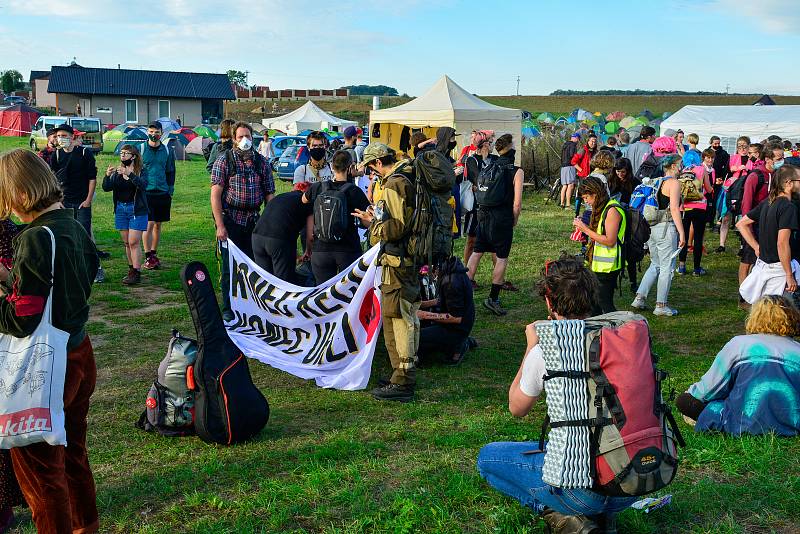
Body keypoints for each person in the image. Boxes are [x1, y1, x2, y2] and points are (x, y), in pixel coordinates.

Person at [476, 256, 636, 534]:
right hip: (631, 482)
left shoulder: (547, 350)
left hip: (581, 489)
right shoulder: (623, 338)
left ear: (549, 303)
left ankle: (565, 516)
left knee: (488, 458)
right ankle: (598, 516)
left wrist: (531, 347)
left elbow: (517, 407)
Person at [0, 149, 99, 533]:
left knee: (43, 475)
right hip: (78, 352)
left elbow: (22, 319)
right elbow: (69, 282)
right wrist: (10, 277)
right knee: (73, 456)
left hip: (44, 369)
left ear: (21, 195)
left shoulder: (35, 237)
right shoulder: (71, 223)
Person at [676, 294, 800, 436]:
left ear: (754, 317)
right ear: (792, 317)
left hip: (740, 424)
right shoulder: (797, 350)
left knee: (684, 400)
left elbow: (707, 389)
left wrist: (691, 393)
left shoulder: (739, 344)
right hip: (792, 425)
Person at [352, 143, 419, 403]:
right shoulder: (408, 177)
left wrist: (372, 225)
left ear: (379, 162)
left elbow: (397, 227)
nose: (371, 174)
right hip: (407, 259)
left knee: (399, 317)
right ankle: (400, 372)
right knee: (404, 314)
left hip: (397, 261)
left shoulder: (394, 184)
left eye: (371, 168)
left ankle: (403, 380)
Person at [211, 121, 275, 322]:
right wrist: (220, 225)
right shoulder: (224, 161)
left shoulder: (261, 162)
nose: (245, 140)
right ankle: (228, 306)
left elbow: (269, 195)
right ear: (233, 139)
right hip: (231, 219)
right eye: (240, 137)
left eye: (248, 136)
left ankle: (252, 305)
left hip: (255, 220)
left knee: (256, 265)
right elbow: (215, 195)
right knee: (230, 267)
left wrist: (270, 222)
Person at [466, 134, 524, 316]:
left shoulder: (490, 165)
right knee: (501, 257)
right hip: (502, 217)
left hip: (483, 214)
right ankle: (493, 298)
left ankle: (463, 294)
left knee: (476, 253)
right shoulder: (516, 171)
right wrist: (514, 219)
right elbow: (517, 203)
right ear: (510, 148)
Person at [47, 123, 104, 284]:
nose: (61, 139)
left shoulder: (85, 153)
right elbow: (53, 180)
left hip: (82, 201)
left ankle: (96, 268)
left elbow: (92, 178)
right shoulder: (56, 155)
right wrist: (58, 200)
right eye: (58, 136)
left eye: (64, 136)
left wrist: (87, 200)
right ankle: (73, 269)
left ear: (72, 137)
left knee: (85, 235)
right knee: (67, 236)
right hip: (64, 202)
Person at [302, 150, 370, 283]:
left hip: (320, 249)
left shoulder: (318, 187)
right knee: (350, 293)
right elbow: (367, 221)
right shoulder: (354, 191)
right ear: (350, 167)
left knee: (324, 293)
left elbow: (303, 200)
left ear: (332, 167)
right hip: (347, 250)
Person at [631, 154, 686, 316]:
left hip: (651, 227)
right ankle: (661, 305)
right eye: (680, 164)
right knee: (667, 267)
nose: (682, 167)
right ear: (674, 166)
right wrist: (682, 232)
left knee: (655, 263)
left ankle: (639, 298)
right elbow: (675, 209)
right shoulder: (674, 183)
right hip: (666, 228)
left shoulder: (657, 181)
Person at [737, 164, 800, 303]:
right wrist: (789, 275)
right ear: (789, 183)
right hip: (779, 269)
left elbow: (741, 224)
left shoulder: (768, 202)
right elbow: (782, 243)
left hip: (764, 265)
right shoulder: (788, 207)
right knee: (779, 311)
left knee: (765, 308)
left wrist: (756, 247)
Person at [573, 176, 626, 314]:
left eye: (586, 198)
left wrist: (585, 229)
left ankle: (617, 331)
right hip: (598, 265)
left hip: (608, 267)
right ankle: (598, 332)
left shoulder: (612, 210)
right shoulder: (602, 208)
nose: (586, 202)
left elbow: (610, 240)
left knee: (604, 303)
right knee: (594, 304)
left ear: (595, 193)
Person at [102, 144, 149, 285]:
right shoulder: (117, 172)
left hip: (137, 210)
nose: (123, 155)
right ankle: (131, 269)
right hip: (121, 210)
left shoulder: (141, 170)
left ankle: (136, 271)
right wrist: (107, 175)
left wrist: (130, 174)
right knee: (127, 243)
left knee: (134, 241)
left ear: (133, 156)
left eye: (126, 153)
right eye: (121, 153)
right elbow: (106, 188)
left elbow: (144, 185)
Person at [416, 257, 476, 366]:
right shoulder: (453, 271)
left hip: (455, 329)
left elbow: (456, 317)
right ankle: (458, 342)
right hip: (460, 325)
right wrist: (420, 305)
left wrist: (425, 315)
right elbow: (442, 301)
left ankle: (457, 346)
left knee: (415, 337)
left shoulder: (451, 283)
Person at [252, 182, 313, 284]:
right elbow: (310, 236)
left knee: (265, 282)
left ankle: (263, 300)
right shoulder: (308, 202)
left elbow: (281, 223)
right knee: (284, 283)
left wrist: (296, 256)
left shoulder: (281, 197)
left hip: (257, 237)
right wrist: (308, 251)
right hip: (279, 240)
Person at [736, 144, 773, 309]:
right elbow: (746, 204)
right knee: (747, 260)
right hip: (752, 224)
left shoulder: (778, 175)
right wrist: (747, 228)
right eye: (778, 158)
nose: (781, 161)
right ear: (767, 158)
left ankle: (758, 296)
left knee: (761, 261)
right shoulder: (756, 176)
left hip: (768, 225)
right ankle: (743, 298)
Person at [141, 122, 176, 271]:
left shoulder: (167, 150)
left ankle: (154, 253)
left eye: (156, 132)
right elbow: (136, 169)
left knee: (158, 224)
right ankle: (147, 255)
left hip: (162, 192)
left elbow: (171, 171)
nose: (153, 134)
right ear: (147, 132)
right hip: (146, 192)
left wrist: (170, 190)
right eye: (151, 131)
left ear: (161, 133)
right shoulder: (141, 149)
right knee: (147, 224)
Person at [676, 149, 714, 276]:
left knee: (684, 237)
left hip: (685, 207)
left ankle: (681, 266)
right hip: (699, 207)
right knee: (698, 238)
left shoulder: (682, 171)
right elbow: (708, 189)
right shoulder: (702, 170)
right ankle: (696, 269)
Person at [463, 132, 496, 266]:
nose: (492, 144)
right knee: (472, 241)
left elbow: (496, 181)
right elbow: (478, 180)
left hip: (492, 206)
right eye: (490, 142)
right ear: (483, 145)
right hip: (476, 207)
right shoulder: (472, 160)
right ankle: (466, 274)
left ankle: (499, 278)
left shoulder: (494, 159)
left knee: (495, 242)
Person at [707, 135, 731, 226]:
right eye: (715, 143)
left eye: (718, 143)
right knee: (709, 200)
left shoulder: (723, 153)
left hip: (719, 180)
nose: (717, 145)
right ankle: (708, 219)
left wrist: (722, 178)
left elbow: (726, 167)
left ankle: (716, 220)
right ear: (711, 143)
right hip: (708, 178)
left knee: (716, 200)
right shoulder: (707, 152)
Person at [559, 132, 579, 209]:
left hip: (563, 167)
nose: (578, 141)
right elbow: (572, 155)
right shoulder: (573, 145)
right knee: (570, 185)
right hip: (569, 166)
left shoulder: (565, 144)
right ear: (576, 138)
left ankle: (562, 203)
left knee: (564, 185)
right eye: (578, 139)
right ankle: (568, 204)